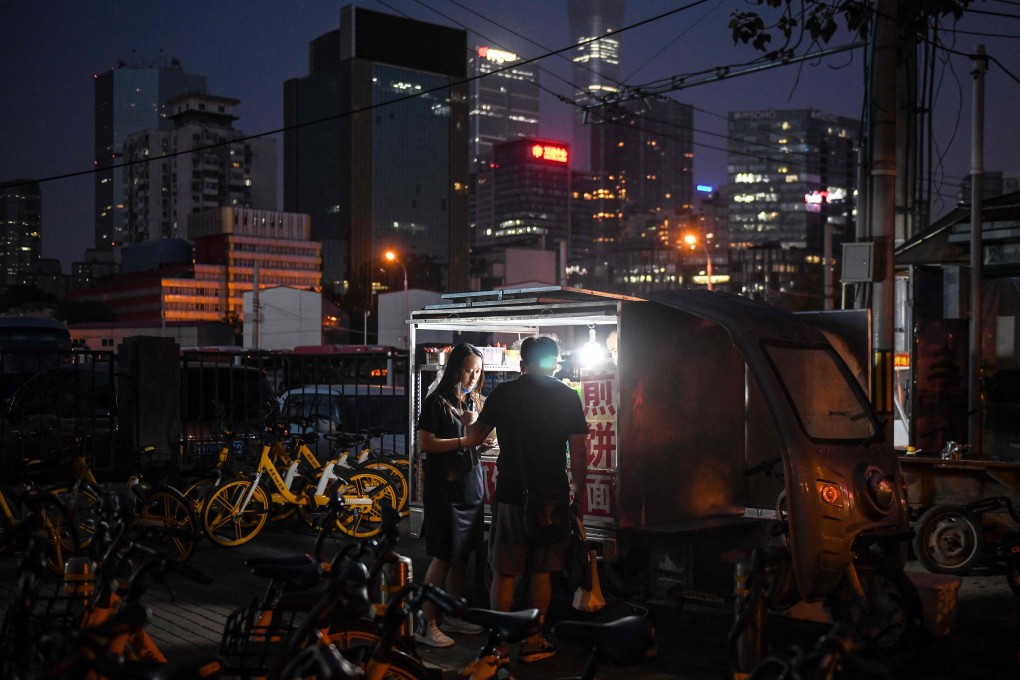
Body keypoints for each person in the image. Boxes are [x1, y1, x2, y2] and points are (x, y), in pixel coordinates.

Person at [464, 335, 589, 663]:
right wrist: (582, 495)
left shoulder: (504, 393)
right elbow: (579, 452)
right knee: (541, 571)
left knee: (504, 571)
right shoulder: (567, 396)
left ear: (522, 364)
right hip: (552, 496)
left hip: (511, 495)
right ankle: (533, 641)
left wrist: (450, 439)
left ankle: (499, 647)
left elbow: (476, 437)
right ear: (556, 362)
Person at [414, 343, 487, 648]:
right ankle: (425, 621)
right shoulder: (437, 402)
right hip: (445, 490)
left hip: (470, 486)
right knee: (444, 555)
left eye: (478, 371)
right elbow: (426, 444)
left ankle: (453, 613)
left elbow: (481, 440)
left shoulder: (473, 401)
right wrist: (464, 439)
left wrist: (482, 435)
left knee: (462, 557)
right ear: (455, 368)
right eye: (469, 369)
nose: (473, 376)